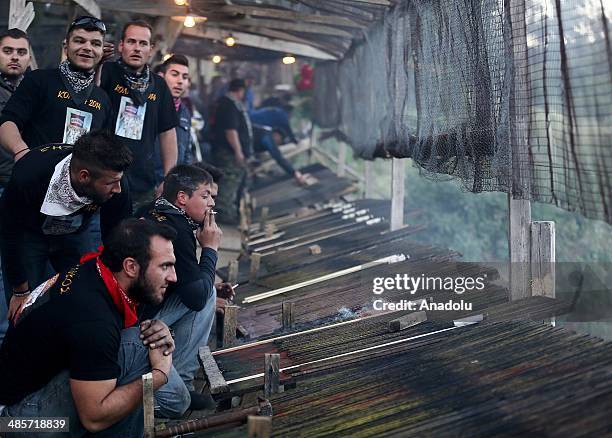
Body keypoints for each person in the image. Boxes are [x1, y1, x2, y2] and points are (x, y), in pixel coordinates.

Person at [0, 219, 190, 436]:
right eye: (165, 266)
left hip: (28, 398)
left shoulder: (97, 270)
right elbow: (93, 419)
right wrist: (158, 376)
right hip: (17, 426)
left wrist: (160, 329)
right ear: (130, 267)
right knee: (139, 349)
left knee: (163, 382)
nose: (173, 277)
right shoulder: (93, 319)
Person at [0, 130, 132, 340]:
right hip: (30, 235)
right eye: (110, 184)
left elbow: (116, 238)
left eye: (118, 181)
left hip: (75, 234)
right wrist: (20, 291)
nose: (117, 189)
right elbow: (10, 236)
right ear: (84, 176)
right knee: (24, 312)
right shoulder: (30, 174)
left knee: (88, 294)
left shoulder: (117, 184)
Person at [138, 164, 233, 409]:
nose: (211, 203)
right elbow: (197, 298)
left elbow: (187, 280)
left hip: (140, 306)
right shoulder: (177, 229)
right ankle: (180, 381)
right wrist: (210, 249)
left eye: (212, 197)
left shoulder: (151, 209)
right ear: (182, 198)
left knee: (206, 288)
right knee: (206, 293)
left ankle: (178, 379)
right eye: (205, 196)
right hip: (137, 323)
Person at [0, 16, 113, 158]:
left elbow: (104, 148)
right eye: (79, 41)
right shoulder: (39, 80)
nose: (87, 47)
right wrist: (21, 153)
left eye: (95, 44)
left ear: (102, 51)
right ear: (66, 47)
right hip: (35, 178)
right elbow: (7, 123)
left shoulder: (103, 99)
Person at [99, 20, 178, 208]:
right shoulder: (106, 72)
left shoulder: (158, 85)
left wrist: (168, 178)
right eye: (131, 42)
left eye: (143, 44)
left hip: (142, 182)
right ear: (121, 46)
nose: (137, 48)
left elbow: (167, 133)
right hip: (103, 177)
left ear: (150, 49)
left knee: (135, 235)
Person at [0, 28, 30, 340]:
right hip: (1, 182)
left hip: (23, 190)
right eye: (8, 50)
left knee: (17, 264)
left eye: (21, 52)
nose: (14, 57)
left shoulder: (32, 90)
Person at [211, 78, 252, 224]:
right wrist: (238, 151)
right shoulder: (229, 105)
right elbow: (231, 131)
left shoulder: (229, 103)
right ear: (241, 90)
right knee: (229, 181)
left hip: (228, 150)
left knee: (234, 180)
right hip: (228, 152)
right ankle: (224, 213)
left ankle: (228, 211)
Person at [153, 55, 194, 186]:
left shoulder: (185, 111)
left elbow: (187, 151)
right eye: (174, 74)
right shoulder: (150, 105)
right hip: (149, 182)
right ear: (161, 76)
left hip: (173, 184)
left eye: (185, 77)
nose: (180, 81)